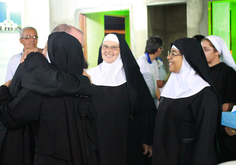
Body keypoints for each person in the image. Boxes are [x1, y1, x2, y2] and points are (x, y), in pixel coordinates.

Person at [0, 32, 99, 165]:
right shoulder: (83, 85)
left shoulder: (41, 89)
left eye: (46, 48)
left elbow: (10, 117)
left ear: (54, 53)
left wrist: (3, 90)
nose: (42, 52)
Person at [86, 33, 156, 165]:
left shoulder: (132, 76)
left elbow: (145, 109)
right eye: (105, 47)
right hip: (97, 137)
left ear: (121, 50)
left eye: (114, 47)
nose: (108, 51)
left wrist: (147, 139)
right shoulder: (90, 75)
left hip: (126, 136)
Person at [152, 38, 221, 165]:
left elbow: (205, 140)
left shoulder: (204, 94)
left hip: (186, 158)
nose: (168, 57)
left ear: (188, 57)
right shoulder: (171, 86)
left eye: (173, 53)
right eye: (169, 52)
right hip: (165, 156)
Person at [202, 35, 236, 163]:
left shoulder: (227, 72)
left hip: (222, 128)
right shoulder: (201, 72)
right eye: (202, 49)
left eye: (206, 49)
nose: (203, 53)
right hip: (204, 127)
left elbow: (231, 101)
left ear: (217, 52)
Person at [137, 36, 163, 107]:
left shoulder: (154, 62)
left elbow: (155, 84)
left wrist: (161, 99)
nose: (161, 50)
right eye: (161, 48)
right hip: (142, 101)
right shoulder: (141, 61)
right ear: (158, 49)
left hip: (151, 100)